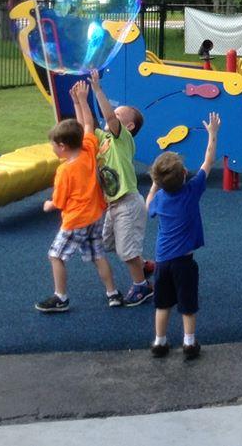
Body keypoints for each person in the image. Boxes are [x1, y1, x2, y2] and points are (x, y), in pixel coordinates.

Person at [35, 81, 120, 312]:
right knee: (98, 255)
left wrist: (48, 204)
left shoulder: (64, 171)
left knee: (56, 256)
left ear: (62, 146)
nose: (52, 148)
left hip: (77, 220)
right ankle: (113, 293)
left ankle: (60, 297)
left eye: (53, 145)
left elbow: (59, 202)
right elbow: (88, 125)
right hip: (96, 216)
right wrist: (80, 101)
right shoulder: (88, 150)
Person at [146, 111, 220, 360]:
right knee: (187, 304)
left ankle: (159, 341)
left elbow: (148, 206)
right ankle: (189, 342)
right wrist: (212, 134)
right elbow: (208, 160)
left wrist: (154, 185)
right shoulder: (191, 190)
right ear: (185, 173)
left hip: (162, 262)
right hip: (184, 263)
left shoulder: (159, 198)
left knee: (162, 304)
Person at [85, 69, 152, 306]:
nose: (112, 115)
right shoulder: (103, 139)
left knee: (126, 251)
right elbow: (87, 124)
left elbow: (109, 119)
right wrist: (80, 101)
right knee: (109, 243)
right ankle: (143, 265)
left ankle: (142, 286)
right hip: (113, 205)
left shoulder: (122, 139)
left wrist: (97, 89)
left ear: (129, 126)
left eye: (118, 114)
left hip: (127, 203)